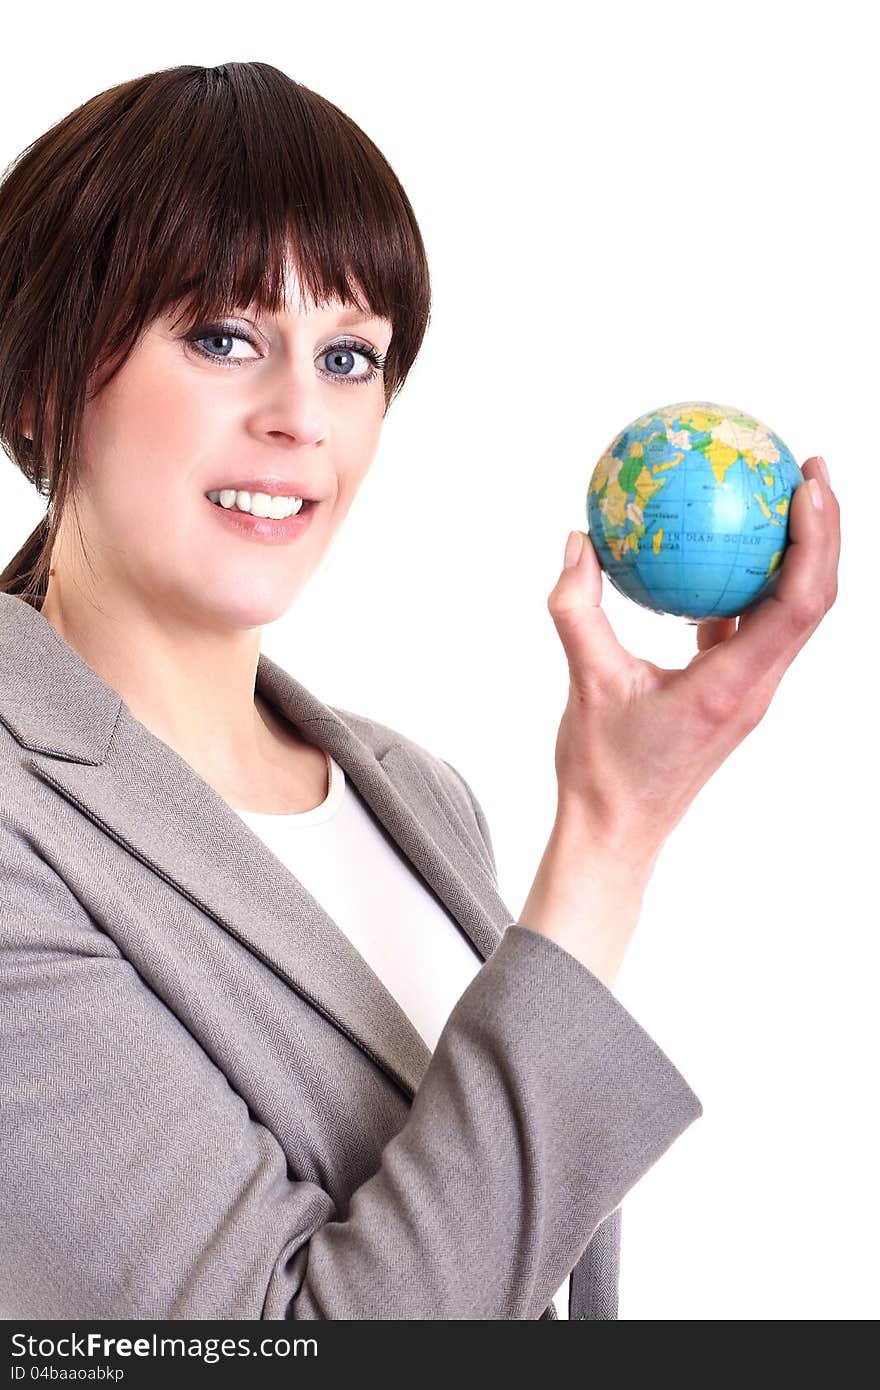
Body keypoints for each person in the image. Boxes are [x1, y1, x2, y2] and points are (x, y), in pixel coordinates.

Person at [0, 62, 839, 1322]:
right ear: (39, 382)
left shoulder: (416, 795)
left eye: (350, 355)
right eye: (224, 336)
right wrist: (611, 836)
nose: (302, 417)